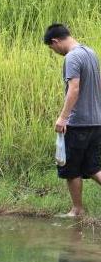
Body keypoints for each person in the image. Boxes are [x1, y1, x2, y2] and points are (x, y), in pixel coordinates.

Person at [44, 23, 101, 216]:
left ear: (55, 41)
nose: (55, 52)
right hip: (96, 121)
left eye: (52, 49)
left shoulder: (72, 57)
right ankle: (77, 209)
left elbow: (74, 88)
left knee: (72, 168)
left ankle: (77, 210)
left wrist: (63, 117)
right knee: (92, 167)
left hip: (78, 123)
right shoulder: (90, 53)